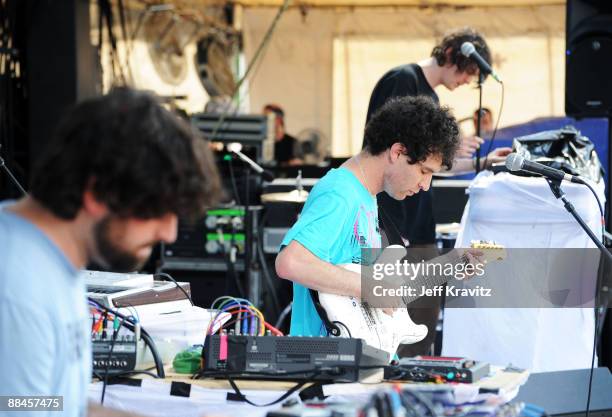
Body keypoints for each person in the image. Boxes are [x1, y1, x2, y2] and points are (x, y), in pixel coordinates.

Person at [0, 87, 222, 416]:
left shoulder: (51, 262)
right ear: (97, 193)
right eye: (158, 210)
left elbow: (54, 405)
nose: (169, 233)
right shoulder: (17, 285)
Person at [364, 28, 511, 356]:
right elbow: (394, 152)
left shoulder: (431, 97)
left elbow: (427, 165)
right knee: (387, 314)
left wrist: (480, 161)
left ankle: (417, 384)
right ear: (449, 54)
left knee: (424, 315)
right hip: (391, 215)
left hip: (418, 218)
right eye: (466, 72)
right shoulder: (402, 80)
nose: (465, 81)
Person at [275, 95, 461, 337]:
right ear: (397, 152)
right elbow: (291, 262)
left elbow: (377, 286)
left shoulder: (366, 197)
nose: (426, 185)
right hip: (327, 362)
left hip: (351, 360)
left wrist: (452, 264)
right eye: (424, 171)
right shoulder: (340, 194)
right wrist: (369, 288)